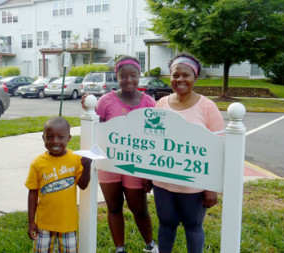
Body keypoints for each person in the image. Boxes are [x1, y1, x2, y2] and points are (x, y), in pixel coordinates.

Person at [81, 56, 158, 253]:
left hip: (136, 165)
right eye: (123, 75)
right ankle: (119, 248)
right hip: (109, 163)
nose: (129, 80)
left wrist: (150, 171)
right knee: (114, 207)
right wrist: (88, 107)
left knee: (139, 208)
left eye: (133, 75)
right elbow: (95, 128)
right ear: (117, 76)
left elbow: (156, 138)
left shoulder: (149, 103)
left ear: (139, 76)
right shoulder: (106, 101)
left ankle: (150, 245)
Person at [152, 53, 225, 253]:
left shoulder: (208, 107)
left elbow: (218, 148)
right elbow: (152, 143)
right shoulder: (161, 104)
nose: (180, 79)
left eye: (186, 75)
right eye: (176, 75)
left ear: (195, 78)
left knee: (193, 227)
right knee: (166, 225)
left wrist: (211, 187)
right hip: (163, 182)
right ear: (170, 77)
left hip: (195, 186)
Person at [25, 116, 92, 253]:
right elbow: (32, 192)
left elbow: (83, 185)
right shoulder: (38, 163)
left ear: (69, 138)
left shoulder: (75, 158)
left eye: (60, 137)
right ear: (43, 138)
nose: (55, 141)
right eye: (49, 137)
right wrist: (31, 221)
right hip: (43, 224)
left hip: (68, 223)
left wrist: (87, 167)